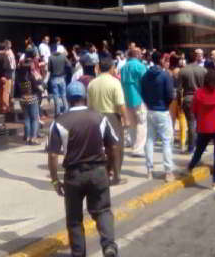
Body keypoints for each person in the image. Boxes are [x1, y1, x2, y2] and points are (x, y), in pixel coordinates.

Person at [47, 81, 119, 257]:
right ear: (85, 97)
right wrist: (111, 169)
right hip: (98, 171)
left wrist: (55, 179)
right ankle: (109, 245)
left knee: (74, 218)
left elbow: (53, 155)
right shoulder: (99, 117)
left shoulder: (59, 122)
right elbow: (113, 147)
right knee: (102, 211)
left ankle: (79, 253)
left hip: (74, 176)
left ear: (68, 98)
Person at [88, 58, 128, 186]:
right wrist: (126, 119)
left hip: (96, 117)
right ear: (111, 68)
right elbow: (120, 104)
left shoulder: (92, 83)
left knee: (101, 148)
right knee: (117, 147)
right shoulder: (115, 82)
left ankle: (105, 172)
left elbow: (89, 105)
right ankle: (116, 175)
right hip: (111, 116)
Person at [140, 51, 176, 182]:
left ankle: (149, 170)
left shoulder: (145, 76)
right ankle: (168, 171)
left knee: (149, 140)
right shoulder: (165, 75)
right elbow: (170, 95)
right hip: (162, 110)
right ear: (161, 60)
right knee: (166, 141)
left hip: (150, 110)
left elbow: (142, 92)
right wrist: (165, 105)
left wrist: (149, 103)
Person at [178, 50, 207, 154]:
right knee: (200, 123)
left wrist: (178, 103)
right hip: (201, 98)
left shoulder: (183, 71)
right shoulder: (203, 70)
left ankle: (191, 147)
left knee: (191, 123)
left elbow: (179, 89)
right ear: (196, 58)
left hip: (188, 99)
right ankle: (201, 145)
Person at [121, 48, 148, 157]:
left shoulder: (123, 67)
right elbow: (146, 83)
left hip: (127, 99)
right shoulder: (140, 66)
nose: (141, 55)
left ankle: (134, 146)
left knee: (132, 124)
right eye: (140, 53)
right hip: (139, 98)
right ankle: (138, 149)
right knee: (142, 123)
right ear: (137, 55)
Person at [17, 51, 43, 145]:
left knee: (27, 119)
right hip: (32, 98)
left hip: (23, 98)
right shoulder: (31, 76)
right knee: (34, 119)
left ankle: (27, 137)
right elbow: (37, 87)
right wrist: (42, 88)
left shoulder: (19, 77)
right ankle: (34, 138)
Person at [48, 48, 72, 118]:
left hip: (54, 78)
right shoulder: (63, 57)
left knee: (56, 96)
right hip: (62, 77)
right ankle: (66, 110)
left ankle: (57, 112)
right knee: (63, 95)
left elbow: (49, 69)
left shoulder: (50, 57)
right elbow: (69, 65)